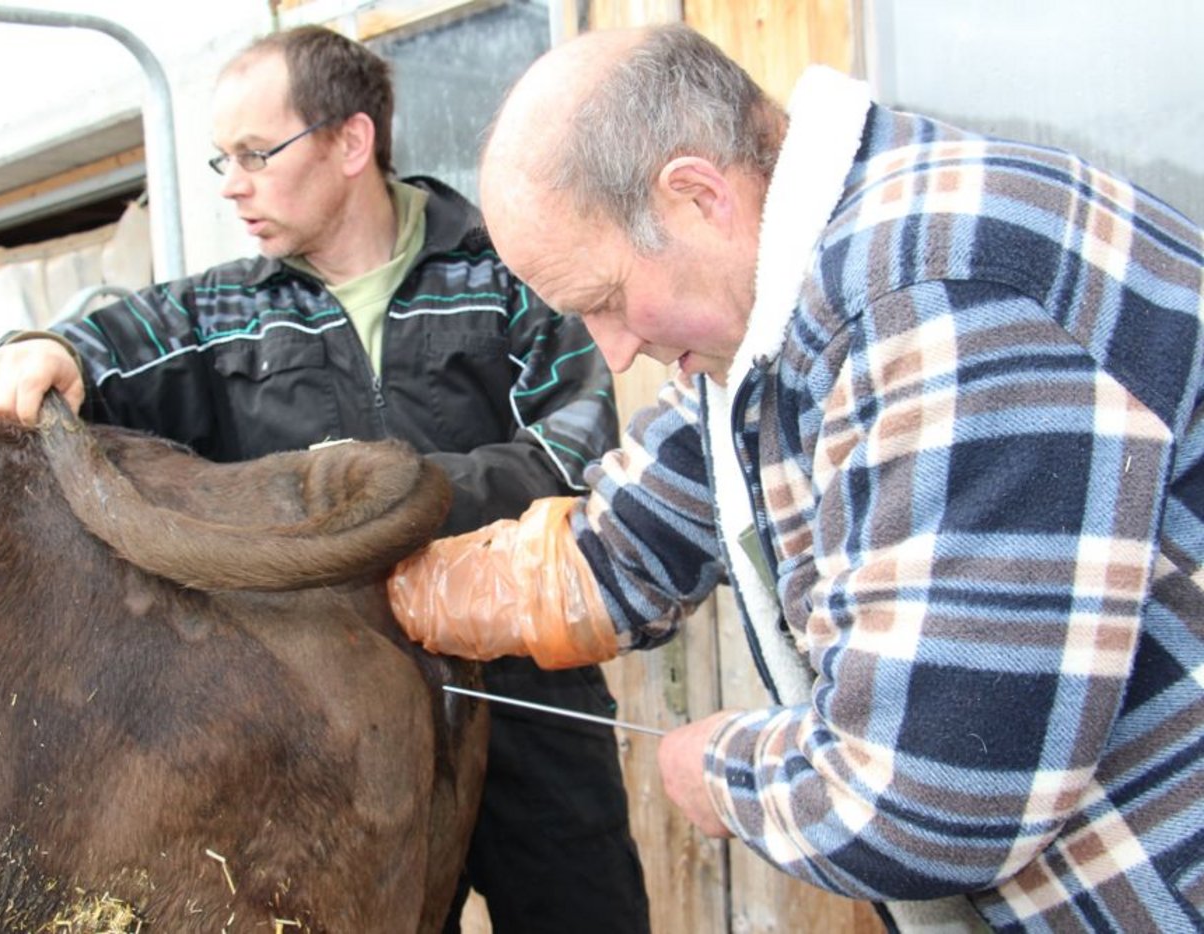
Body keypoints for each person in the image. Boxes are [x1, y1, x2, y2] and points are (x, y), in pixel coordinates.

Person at [387, 22, 1204, 932]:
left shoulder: (932, 299)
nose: (613, 354)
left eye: (606, 301)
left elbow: (922, 798)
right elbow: (619, 552)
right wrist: (374, 598)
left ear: (697, 197)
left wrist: (720, 771)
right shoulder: (775, 303)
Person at [0, 25, 651, 933]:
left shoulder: (506, 274)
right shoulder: (223, 311)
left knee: (582, 914)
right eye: (223, 159)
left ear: (351, 141)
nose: (231, 184)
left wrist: (369, 495)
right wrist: (40, 350)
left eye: (257, 153)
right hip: (338, 720)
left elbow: (573, 453)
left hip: (524, 683)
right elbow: (100, 351)